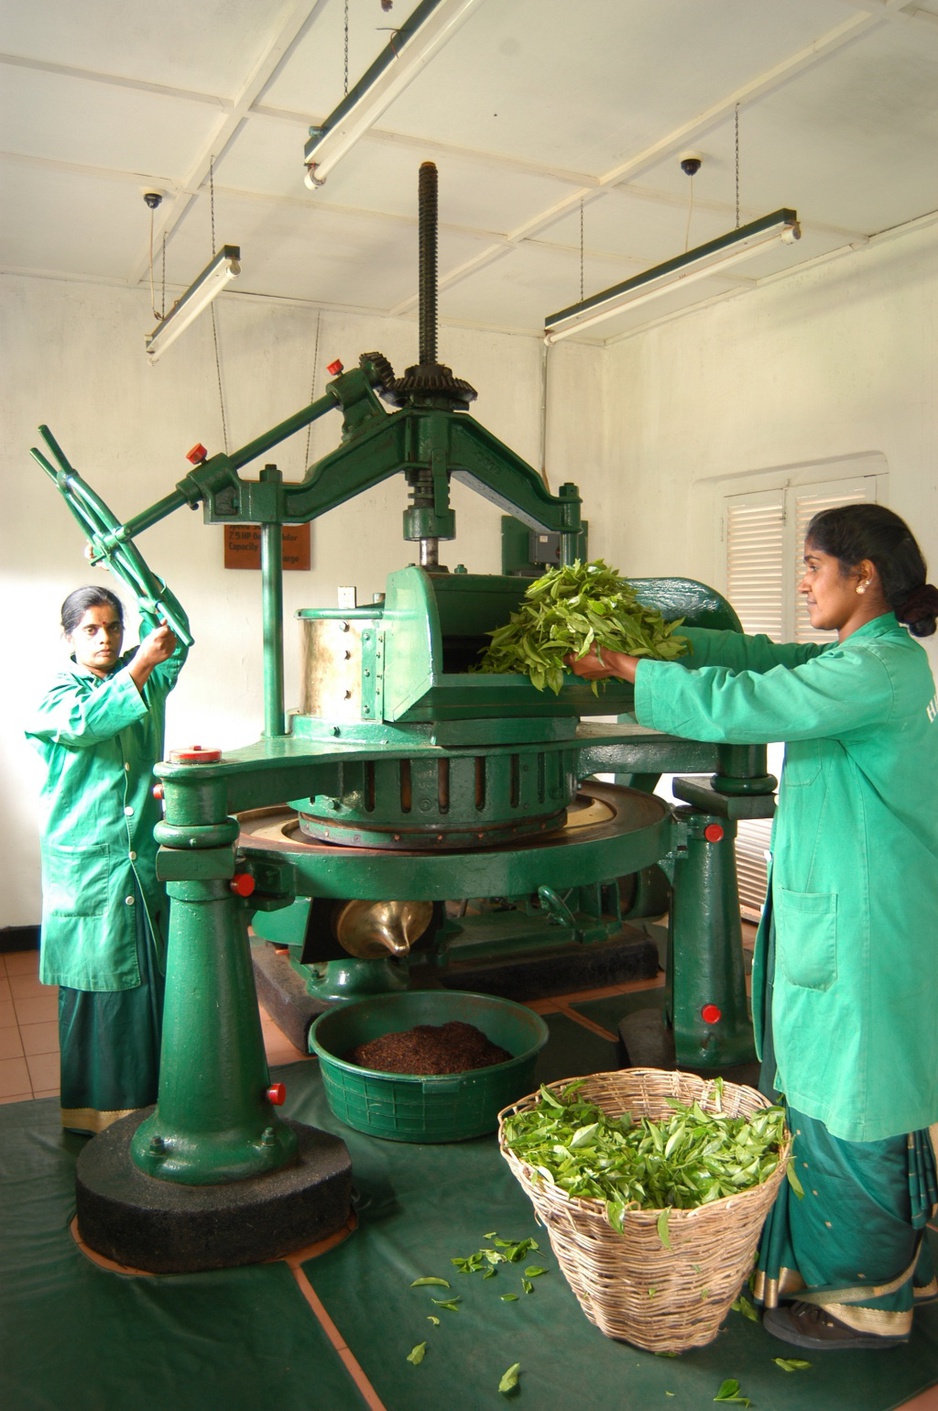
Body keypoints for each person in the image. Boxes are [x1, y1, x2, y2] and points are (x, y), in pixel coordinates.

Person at [566, 504, 938, 1351]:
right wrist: (662, 639)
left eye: (813, 565)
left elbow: (754, 697)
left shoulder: (879, 670)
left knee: (857, 1099)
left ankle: (866, 1298)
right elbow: (759, 658)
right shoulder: (860, 656)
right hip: (846, 915)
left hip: (868, 928)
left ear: (865, 574)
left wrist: (628, 667)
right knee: (831, 1089)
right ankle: (871, 1267)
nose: (803, 580)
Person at [26, 585, 189, 1137]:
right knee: (99, 995)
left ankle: (154, 1105)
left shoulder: (146, 680)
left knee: (150, 985)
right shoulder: (54, 693)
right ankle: (98, 1119)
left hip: (140, 867)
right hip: (88, 872)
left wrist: (147, 587)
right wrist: (139, 664)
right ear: (68, 636)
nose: (105, 638)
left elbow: (180, 641)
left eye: (114, 627)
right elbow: (86, 723)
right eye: (91, 629)